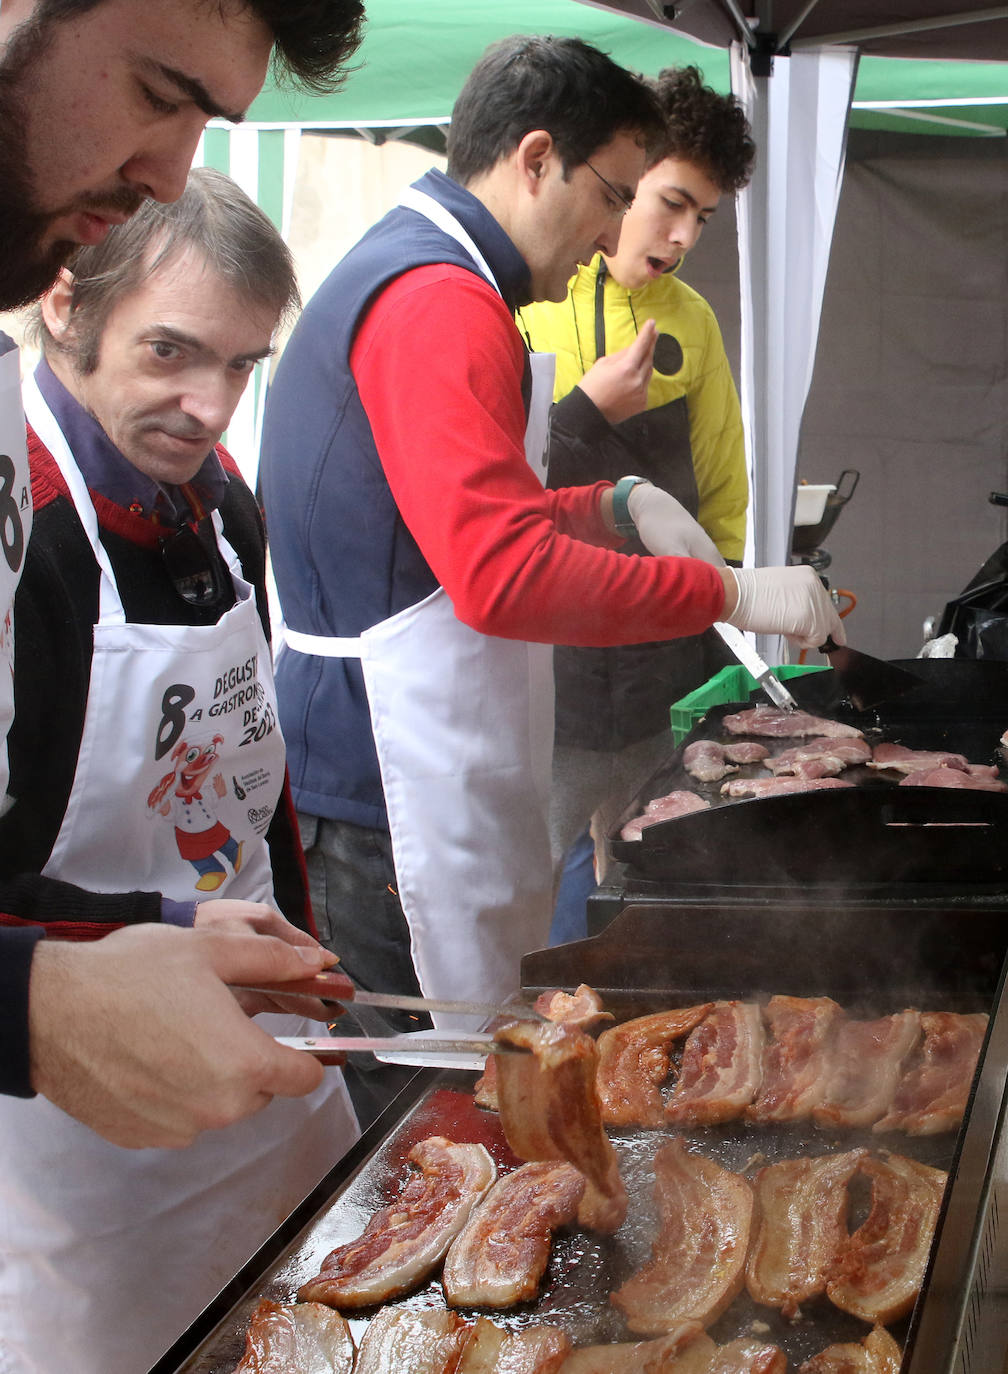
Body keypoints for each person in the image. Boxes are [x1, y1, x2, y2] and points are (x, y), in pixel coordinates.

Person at [258, 37, 844, 1041]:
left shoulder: (440, 274)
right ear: (535, 160)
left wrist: (611, 504)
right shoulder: (439, 300)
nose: (616, 229)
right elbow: (501, 574)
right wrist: (729, 595)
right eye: (616, 195)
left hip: (411, 749)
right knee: (417, 1085)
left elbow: (483, 513)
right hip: (379, 773)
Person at [0, 167, 361, 1374]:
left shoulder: (219, 506)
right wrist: (167, 927)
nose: (209, 406)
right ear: (64, 302)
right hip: (78, 1118)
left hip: (264, 1070)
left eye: (242, 365)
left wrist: (296, 948)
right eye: (171, 353)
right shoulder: (30, 533)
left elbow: (252, 775)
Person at [519, 66, 756, 938]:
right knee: (526, 889)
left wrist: (728, 606)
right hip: (548, 678)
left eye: (704, 216)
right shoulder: (532, 302)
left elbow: (722, 492)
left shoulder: (691, 321)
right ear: (623, 176)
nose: (685, 233)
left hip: (661, 670)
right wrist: (580, 414)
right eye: (672, 202)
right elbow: (489, 491)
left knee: (649, 889)